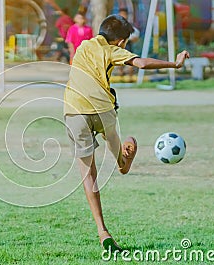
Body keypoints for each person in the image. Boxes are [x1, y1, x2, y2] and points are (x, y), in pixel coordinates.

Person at [63, 14, 190, 251]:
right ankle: (122, 161)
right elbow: (141, 63)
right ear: (121, 42)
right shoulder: (113, 50)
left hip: (75, 112)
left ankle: (102, 230)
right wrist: (175, 64)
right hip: (104, 112)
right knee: (118, 152)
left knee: (88, 175)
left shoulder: (83, 46)